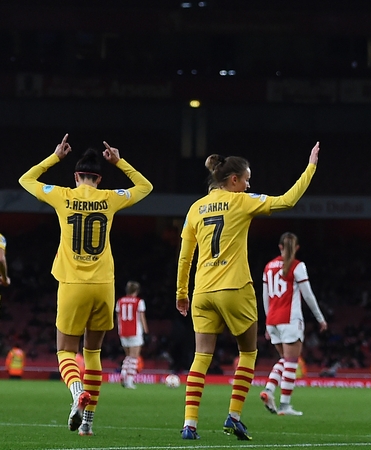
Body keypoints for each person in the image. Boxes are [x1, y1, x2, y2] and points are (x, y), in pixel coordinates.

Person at [176, 142, 320, 440]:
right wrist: (311, 167)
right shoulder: (241, 201)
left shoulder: (194, 208)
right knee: (248, 352)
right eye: (246, 179)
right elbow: (287, 201)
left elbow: (184, 256)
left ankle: (190, 424)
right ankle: (233, 416)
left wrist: (181, 292)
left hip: (202, 291)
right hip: (235, 288)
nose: (249, 184)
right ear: (233, 180)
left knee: (200, 356)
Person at [18, 134, 153, 436]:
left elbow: (25, 180)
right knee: (93, 354)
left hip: (72, 283)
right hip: (104, 285)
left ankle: (77, 391)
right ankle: (88, 424)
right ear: (100, 179)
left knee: (65, 350)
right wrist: (120, 162)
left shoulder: (63, 195)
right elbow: (146, 187)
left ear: (77, 176)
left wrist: (55, 157)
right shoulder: (109, 198)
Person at [259, 232, 327, 417]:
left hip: (272, 319)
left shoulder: (268, 266)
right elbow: (308, 295)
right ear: (296, 248)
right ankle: (284, 405)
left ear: (280, 247)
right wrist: (320, 318)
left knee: (283, 360)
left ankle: (269, 390)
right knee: (291, 362)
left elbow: (265, 297)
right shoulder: (297, 266)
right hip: (290, 319)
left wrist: (267, 322)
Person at [116, 280, 149, 389]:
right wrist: (146, 331)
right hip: (135, 331)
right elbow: (142, 317)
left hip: (123, 331)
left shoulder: (120, 301)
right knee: (134, 357)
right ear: (136, 291)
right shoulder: (139, 302)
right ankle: (129, 380)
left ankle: (123, 373)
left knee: (128, 356)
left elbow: (118, 318)